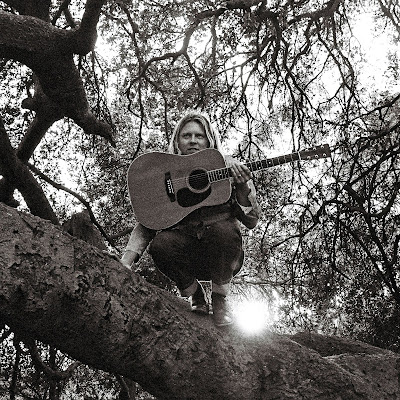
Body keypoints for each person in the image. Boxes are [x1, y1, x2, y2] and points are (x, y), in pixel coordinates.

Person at [121, 111, 260, 326]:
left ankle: (220, 300)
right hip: (185, 256)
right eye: (187, 135)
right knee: (161, 244)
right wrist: (125, 262)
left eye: (199, 136)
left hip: (221, 257)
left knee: (224, 231)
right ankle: (195, 294)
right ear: (177, 141)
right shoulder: (166, 173)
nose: (193, 141)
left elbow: (251, 221)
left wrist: (242, 186)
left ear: (209, 140)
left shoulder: (230, 169)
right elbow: (147, 222)